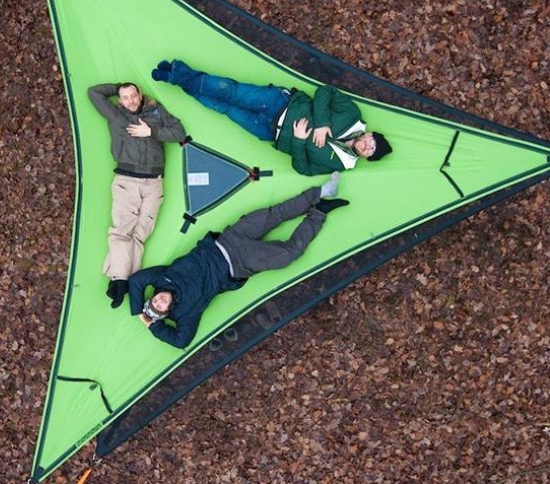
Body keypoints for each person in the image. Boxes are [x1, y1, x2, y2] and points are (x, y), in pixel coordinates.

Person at [129, 172, 348, 348]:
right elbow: (181, 341)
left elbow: (137, 280)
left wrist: (138, 310)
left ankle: (322, 191)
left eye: (155, 300)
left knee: (275, 213)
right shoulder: (186, 313)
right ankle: (319, 212)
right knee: (289, 254)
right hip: (239, 263)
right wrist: (152, 326)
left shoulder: (162, 278)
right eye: (160, 307)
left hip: (228, 240)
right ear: (166, 312)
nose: (159, 301)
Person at [151, 59, 392, 176]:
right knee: (229, 90)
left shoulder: (341, 165)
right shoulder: (352, 116)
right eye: (372, 142)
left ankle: (180, 74)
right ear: (370, 134)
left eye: (371, 150)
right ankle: (175, 77)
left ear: (367, 157)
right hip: (281, 103)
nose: (368, 146)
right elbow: (325, 91)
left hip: (268, 131)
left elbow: (303, 169)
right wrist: (322, 124)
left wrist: (298, 141)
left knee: (224, 108)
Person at [88, 82, 186, 309]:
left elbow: (179, 132)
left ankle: (122, 279)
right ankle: (121, 282)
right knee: (123, 231)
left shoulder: (156, 111)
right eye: (125, 97)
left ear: (140, 94)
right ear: (120, 100)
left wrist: (151, 132)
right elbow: (94, 93)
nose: (130, 101)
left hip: (154, 182)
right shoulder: (116, 115)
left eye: (133, 95)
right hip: (127, 180)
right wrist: (117, 87)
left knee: (141, 233)